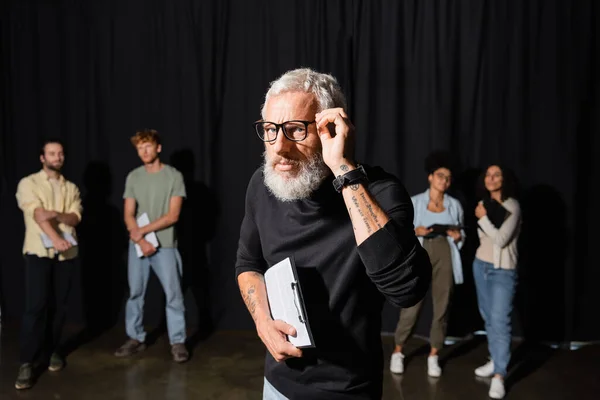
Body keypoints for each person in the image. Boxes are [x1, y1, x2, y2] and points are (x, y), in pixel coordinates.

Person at [235, 68, 431, 399]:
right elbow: (248, 263)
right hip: (278, 386)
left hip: (348, 389)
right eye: (269, 130)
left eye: (295, 130)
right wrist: (263, 322)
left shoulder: (378, 192)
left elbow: (407, 289)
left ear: (330, 129)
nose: (279, 147)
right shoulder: (261, 185)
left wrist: (345, 171)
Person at [114, 129, 189, 363]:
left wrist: (143, 232)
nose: (144, 151)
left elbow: (173, 215)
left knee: (173, 295)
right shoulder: (133, 177)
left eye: (148, 146)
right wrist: (140, 240)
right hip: (138, 246)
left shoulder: (174, 176)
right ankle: (135, 338)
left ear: (158, 148)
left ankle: (177, 341)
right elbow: (128, 214)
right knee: (135, 293)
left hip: (165, 245)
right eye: (139, 148)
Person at [14, 139, 83, 390]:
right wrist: (56, 239)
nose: (58, 157)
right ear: (42, 158)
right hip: (39, 253)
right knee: (36, 308)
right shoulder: (28, 183)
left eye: (61, 153)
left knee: (58, 308)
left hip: (66, 257)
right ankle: (27, 362)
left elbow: (74, 218)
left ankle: (52, 350)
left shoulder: (71, 187)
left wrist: (55, 215)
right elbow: (36, 214)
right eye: (52, 153)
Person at [390, 151, 465, 377]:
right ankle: (398, 350)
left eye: (448, 178)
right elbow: (399, 232)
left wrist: (458, 238)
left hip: (445, 251)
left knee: (443, 304)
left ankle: (434, 354)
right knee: (411, 305)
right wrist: (415, 231)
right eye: (440, 175)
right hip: (420, 251)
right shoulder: (415, 202)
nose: (444, 180)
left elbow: (461, 232)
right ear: (431, 177)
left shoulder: (454, 205)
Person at [472, 164, 520, 399]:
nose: (491, 178)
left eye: (497, 174)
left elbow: (501, 240)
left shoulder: (512, 206)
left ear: (505, 179)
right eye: (488, 175)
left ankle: (500, 374)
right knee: (489, 318)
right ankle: (495, 360)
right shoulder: (484, 204)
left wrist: (482, 219)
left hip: (503, 271)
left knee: (500, 321)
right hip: (481, 266)